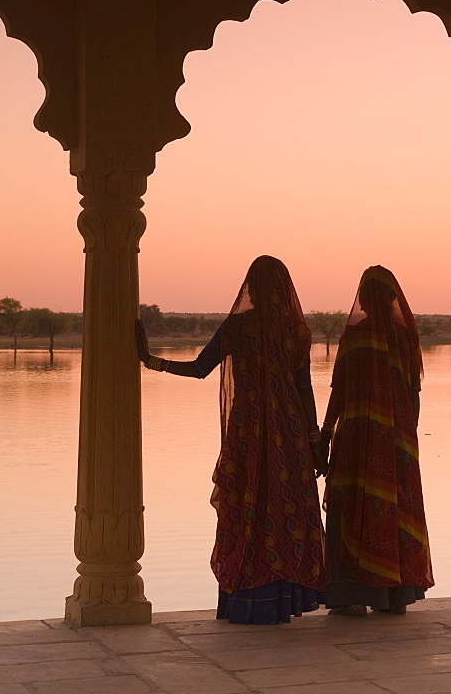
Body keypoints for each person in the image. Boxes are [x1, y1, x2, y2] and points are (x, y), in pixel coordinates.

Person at [135, 255, 327, 625]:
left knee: (248, 505)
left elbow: (198, 369)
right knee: (285, 510)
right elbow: (305, 392)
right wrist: (315, 441)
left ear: (251, 288)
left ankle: (249, 599)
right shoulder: (296, 332)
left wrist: (151, 361)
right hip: (290, 434)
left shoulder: (238, 328)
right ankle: (283, 599)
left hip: (250, 432)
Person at [318, 265, 433, 616]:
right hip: (396, 437)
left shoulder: (356, 336)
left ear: (369, 300)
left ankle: (349, 593)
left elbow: (339, 393)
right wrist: (408, 434)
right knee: (392, 505)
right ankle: (393, 595)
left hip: (356, 434)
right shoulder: (406, 337)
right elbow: (413, 393)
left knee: (355, 505)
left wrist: (323, 434)